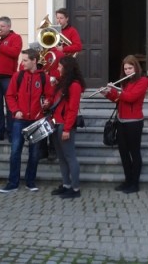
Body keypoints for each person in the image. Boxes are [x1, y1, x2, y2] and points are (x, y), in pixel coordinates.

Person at [0, 48, 54, 193]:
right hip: (20, 120)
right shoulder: (17, 76)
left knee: (34, 153)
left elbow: (50, 96)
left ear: (34, 61)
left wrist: (47, 103)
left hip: (37, 120)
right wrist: (15, 110)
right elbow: (9, 95)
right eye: (21, 60)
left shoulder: (44, 77)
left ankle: (30, 182)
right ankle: (12, 183)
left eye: (25, 60)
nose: (21, 63)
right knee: (15, 152)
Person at [101, 55, 148, 194]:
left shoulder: (142, 81)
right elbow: (119, 99)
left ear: (136, 67)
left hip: (134, 122)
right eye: (126, 68)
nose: (128, 71)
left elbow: (130, 98)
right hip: (121, 121)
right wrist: (108, 93)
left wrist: (116, 90)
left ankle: (135, 183)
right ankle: (128, 180)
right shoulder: (126, 82)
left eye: (130, 68)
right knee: (123, 153)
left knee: (134, 152)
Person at [50, 56, 86, 199]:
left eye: (59, 66)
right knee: (61, 157)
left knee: (70, 157)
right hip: (57, 122)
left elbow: (72, 109)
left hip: (65, 124)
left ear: (67, 68)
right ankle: (66, 185)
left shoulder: (74, 85)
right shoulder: (62, 83)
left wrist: (66, 129)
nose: (57, 68)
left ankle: (75, 188)